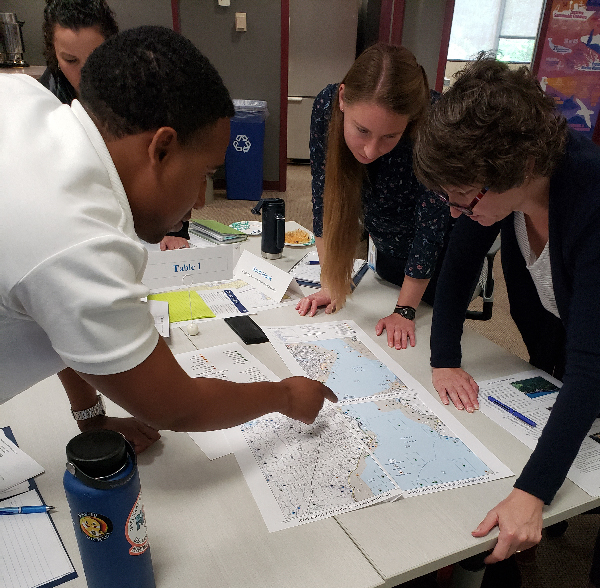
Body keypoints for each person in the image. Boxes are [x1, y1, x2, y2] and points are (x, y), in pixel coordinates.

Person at [0, 27, 336, 449]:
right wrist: (285, 395)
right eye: (203, 175)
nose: (199, 200)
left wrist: (90, 416)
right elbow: (175, 407)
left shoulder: (23, 96)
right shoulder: (80, 238)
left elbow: (55, 310)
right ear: (160, 148)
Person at [413, 54, 600, 584]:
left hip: (595, 351)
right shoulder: (491, 189)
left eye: (462, 199)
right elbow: (458, 265)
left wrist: (533, 491)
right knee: (555, 438)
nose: (455, 211)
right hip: (560, 341)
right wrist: (445, 359)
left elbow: (592, 366)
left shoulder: (589, 199)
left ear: (517, 172)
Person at [295, 43, 450, 352]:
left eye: (389, 136)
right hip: (387, 236)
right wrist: (331, 284)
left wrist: (405, 310)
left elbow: (431, 226)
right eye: (362, 130)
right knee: (384, 291)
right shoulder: (326, 106)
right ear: (342, 99)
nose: (369, 150)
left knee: (427, 335)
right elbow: (326, 198)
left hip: (440, 249)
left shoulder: (436, 122)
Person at [39, 0, 190, 251]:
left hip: (141, 230)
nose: (85, 73)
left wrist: (166, 227)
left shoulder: (140, 88)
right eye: (70, 60)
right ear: (53, 54)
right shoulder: (44, 104)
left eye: (95, 57)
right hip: (71, 234)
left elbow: (166, 164)